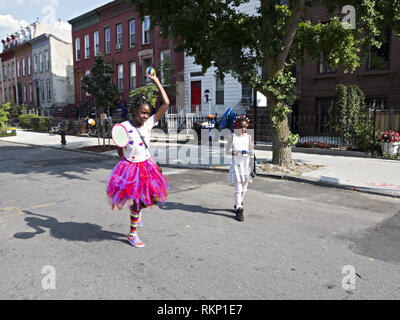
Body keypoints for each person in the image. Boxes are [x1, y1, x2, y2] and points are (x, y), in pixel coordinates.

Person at [106, 70, 170, 247]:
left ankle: (137, 211)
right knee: (135, 202)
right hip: (130, 168)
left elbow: (166, 103)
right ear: (134, 111)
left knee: (154, 199)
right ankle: (132, 234)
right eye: (142, 113)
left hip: (147, 166)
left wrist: (156, 80)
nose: (145, 116)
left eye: (148, 113)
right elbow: (121, 153)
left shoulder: (149, 123)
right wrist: (121, 146)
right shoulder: (123, 128)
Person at [225, 116, 254, 222]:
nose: (243, 129)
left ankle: (239, 202)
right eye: (241, 127)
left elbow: (251, 150)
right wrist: (234, 152)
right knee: (238, 186)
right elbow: (227, 151)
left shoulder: (249, 137)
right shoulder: (231, 137)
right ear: (236, 126)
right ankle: (239, 209)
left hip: (246, 164)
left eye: (245, 127)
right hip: (236, 164)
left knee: (245, 186)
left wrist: (251, 154)